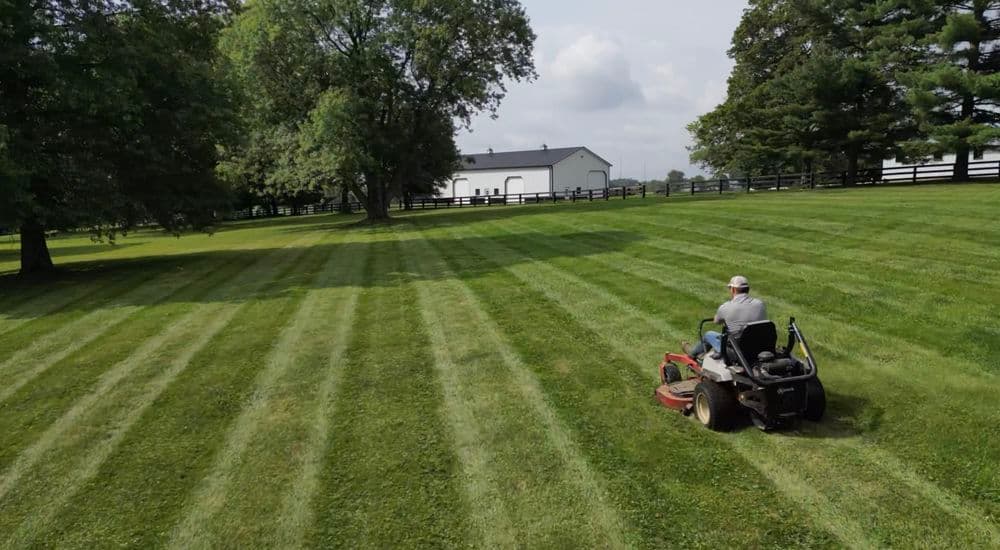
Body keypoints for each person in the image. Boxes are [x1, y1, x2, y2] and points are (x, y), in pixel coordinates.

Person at [683, 275, 767, 359]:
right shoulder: (760, 304)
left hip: (737, 352)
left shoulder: (725, 307)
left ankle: (692, 354)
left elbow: (717, 321)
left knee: (709, 335)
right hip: (759, 347)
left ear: (733, 289)